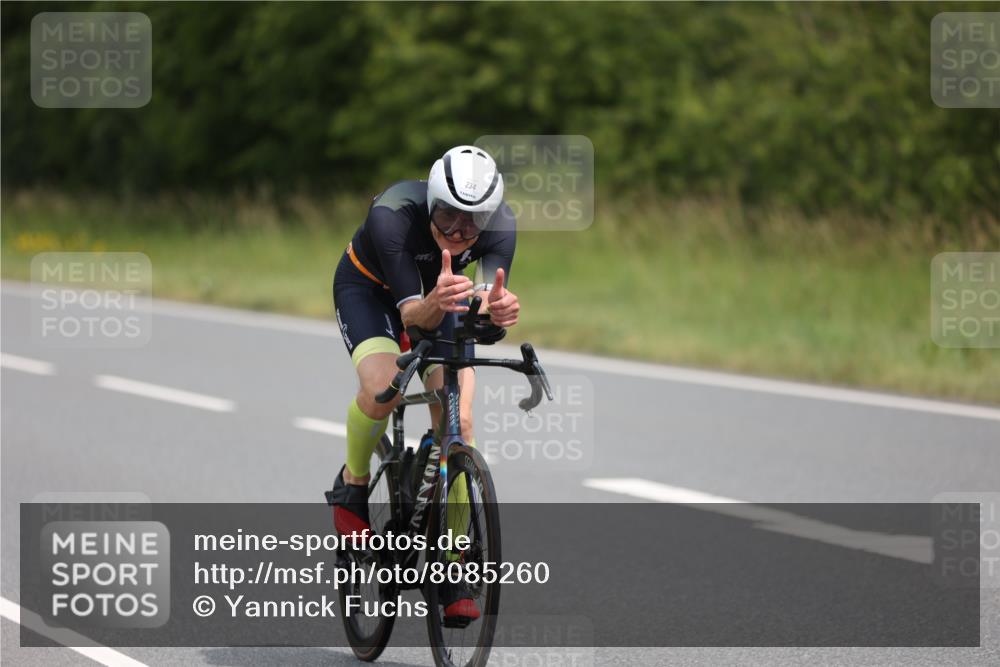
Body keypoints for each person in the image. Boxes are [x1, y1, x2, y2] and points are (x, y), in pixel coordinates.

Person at [326, 146, 519, 622]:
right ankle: (352, 484)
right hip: (372, 291)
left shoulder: (502, 225)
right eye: (448, 214)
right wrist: (441, 300)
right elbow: (413, 315)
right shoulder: (392, 215)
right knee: (380, 389)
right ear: (431, 200)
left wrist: (497, 315)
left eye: (473, 222)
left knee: (460, 423)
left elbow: (479, 304)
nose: (458, 231)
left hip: (443, 298)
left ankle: (451, 563)